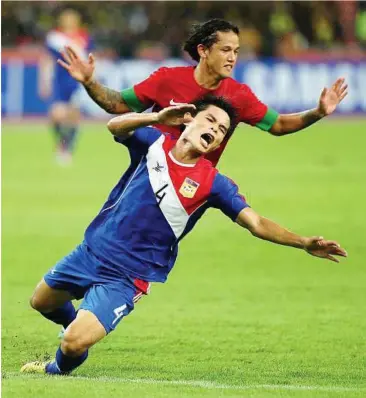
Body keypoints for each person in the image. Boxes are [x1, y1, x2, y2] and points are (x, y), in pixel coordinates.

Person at [20, 95, 347, 375]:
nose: (214, 130)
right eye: (210, 121)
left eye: (221, 131)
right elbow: (114, 127)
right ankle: (77, 323)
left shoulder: (214, 183)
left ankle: (56, 369)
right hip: (92, 251)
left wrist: (303, 241)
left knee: (74, 343)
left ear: (219, 143)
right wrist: (158, 116)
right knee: (41, 301)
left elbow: (256, 223)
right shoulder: (155, 144)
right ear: (189, 121)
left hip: (128, 275)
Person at [58, 18, 348, 166]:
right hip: (145, 177)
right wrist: (89, 81)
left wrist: (318, 112)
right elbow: (117, 104)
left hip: (190, 189)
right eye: (225, 50)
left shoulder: (239, 95)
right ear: (203, 50)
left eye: (236, 51)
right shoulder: (167, 78)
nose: (233, 57)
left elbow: (280, 125)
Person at [39, 8, 93, 165]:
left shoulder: (84, 37)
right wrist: (44, 81)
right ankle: (61, 144)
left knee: (73, 115)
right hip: (60, 80)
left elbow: (90, 59)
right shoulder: (54, 38)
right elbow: (47, 60)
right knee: (56, 114)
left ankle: (68, 148)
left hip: (78, 81)